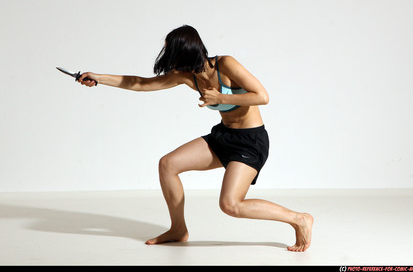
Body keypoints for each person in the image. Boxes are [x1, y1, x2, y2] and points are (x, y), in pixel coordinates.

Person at [77, 25, 313, 252]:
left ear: (185, 51)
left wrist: (221, 96)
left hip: (250, 141)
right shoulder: (188, 77)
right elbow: (141, 84)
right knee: (168, 164)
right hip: (223, 136)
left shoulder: (225, 64)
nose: (168, 57)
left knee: (230, 205)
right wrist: (98, 78)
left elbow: (262, 96)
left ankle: (299, 219)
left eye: (171, 51)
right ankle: (178, 230)